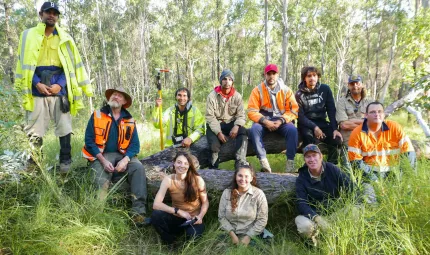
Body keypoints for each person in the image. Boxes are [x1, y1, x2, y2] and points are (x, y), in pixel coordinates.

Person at [14, 2, 92, 172]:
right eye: (48, 12)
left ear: (57, 17)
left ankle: (66, 164)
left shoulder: (66, 37)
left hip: (59, 90)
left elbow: (70, 66)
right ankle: (35, 166)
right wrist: (37, 83)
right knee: (34, 130)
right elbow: (24, 64)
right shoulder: (27, 35)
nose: (51, 15)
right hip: (36, 89)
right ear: (40, 14)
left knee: (65, 127)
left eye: (55, 13)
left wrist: (59, 85)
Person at [82, 87, 148, 225]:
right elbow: (89, 140)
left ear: (124, 101)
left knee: (138, 168)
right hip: (102, 155)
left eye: (119, 96)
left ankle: (138, 213)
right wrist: (103, 160)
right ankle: (97, 215)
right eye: (114, 95)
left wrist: (125, 160)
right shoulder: (97, 115)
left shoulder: (129, 119)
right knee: (101, 179)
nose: (115, 97)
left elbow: (135, 145)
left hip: (123, 155)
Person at [295, 144, 354, 242]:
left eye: (314, 155)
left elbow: (351, 186)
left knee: (355, 210)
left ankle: (345, 238)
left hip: (335, 212)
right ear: (305, 160)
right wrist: (316, 218)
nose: (312, 159)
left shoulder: (332, 169)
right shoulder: (301, 178)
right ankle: (314, 242)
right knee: (304, 225)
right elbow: (301, 204)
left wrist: (354, 203)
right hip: (313, 216)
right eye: (308, 156)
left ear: (321, 156)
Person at [248, 64, 299, 173]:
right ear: (265, 75)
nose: (271, 76)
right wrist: (265, 122)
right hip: (264, 120)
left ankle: (290, 163)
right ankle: (264, 163)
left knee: (293, 131)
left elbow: (293, 110)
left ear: (277, 75)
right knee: (254, 130)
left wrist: (280, 121)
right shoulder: (257, 90)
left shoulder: (286, 90)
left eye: (273, 73)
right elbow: (252, 111)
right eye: (269, 74)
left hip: (281, 120)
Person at [348, 102, 416, 180]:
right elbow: (355, 162)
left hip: (395, 175)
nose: (377, 114)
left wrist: (407, 177)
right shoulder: (357, 133)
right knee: (368, 192)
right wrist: (374, 181)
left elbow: (409, 154)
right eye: (372, 112)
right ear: (366, 115)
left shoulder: (395, 128)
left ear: (384, 114)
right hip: (368, 176)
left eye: (379, 111)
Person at [152, 151, 209, 245]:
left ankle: (184, 241)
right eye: (179, 162)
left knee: (193, 236)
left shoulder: (198, 180)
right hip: (176, 218)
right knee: (156, 215)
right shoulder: (168, 180)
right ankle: (170, 242)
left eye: (186, 163)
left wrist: (200, 216)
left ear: (189, 166)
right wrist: (178, 211)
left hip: (193, 220)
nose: (182, 166)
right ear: (174, 163)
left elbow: (205, 202)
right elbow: (156, 205)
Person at [295, 66, 342, 165]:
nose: (312, 78)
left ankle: (331, 166)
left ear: (318, 77)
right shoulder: (299, 94)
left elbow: (331, 110)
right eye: (309, 76)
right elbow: (301, 117)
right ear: (304, 78)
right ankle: (311, 166)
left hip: (322, 123)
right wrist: (315, 127)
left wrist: (335, 128)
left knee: (336, 140)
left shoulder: (325, 89)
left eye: (314, 75)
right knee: (309, 140)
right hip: (306, 125)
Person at [206, 69, 248, 169]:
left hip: (231, 123)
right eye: (224, 79)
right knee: (214, 145)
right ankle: (213, 167)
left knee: (243, 132)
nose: (227, 81)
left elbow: (241, 114)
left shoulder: (237, 96)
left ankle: (240, 161)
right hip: (216, 123)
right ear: (221, 81)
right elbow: (210, 117)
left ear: (232, 82)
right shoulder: (212, 96)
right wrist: (218, 133)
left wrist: (237, 126)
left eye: (230, 79)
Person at [218, 164, 269, 246]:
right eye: (240, 176)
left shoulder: (259, 194)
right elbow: (221, 217)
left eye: (246, 176)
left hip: (252, 233)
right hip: (229, 232)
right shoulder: (227, 193)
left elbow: (262, 220)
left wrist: (248, 237)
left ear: (251, 178)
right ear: (235, 177)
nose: (243, 179)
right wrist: (232, 235)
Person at [336, 75, 372, 169]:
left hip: (367, 143)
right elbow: (343, 125)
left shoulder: (370, 103)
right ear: (348, 86)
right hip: (348, 143)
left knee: (369, 173)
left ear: (362, 85)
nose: (355, 86)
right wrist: (365, 121)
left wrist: (351, 121)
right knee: (348, 174)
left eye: (357, 83)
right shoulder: (342, 102)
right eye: (352, 84)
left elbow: (374, 123)